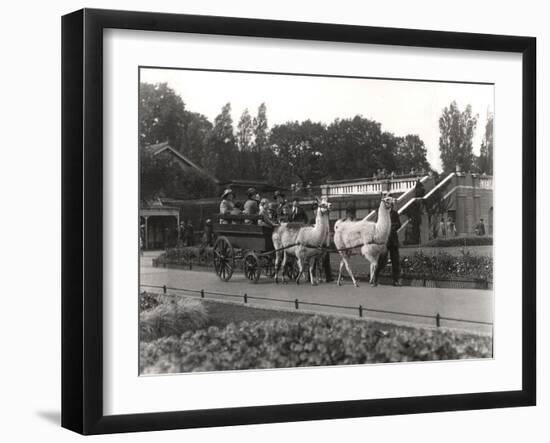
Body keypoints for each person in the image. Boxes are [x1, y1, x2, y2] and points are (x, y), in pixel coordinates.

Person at [377, 199, 402, 286]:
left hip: (393, 241)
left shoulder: (394, 213)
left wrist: (392, 227)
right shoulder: (382, 215)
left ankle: (396, 280)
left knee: (395, 261)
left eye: (390, 204)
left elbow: (399, 224)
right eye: (387, 204)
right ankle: (375, 277)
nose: (389, 205)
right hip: (385, 241)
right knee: (382, 260)